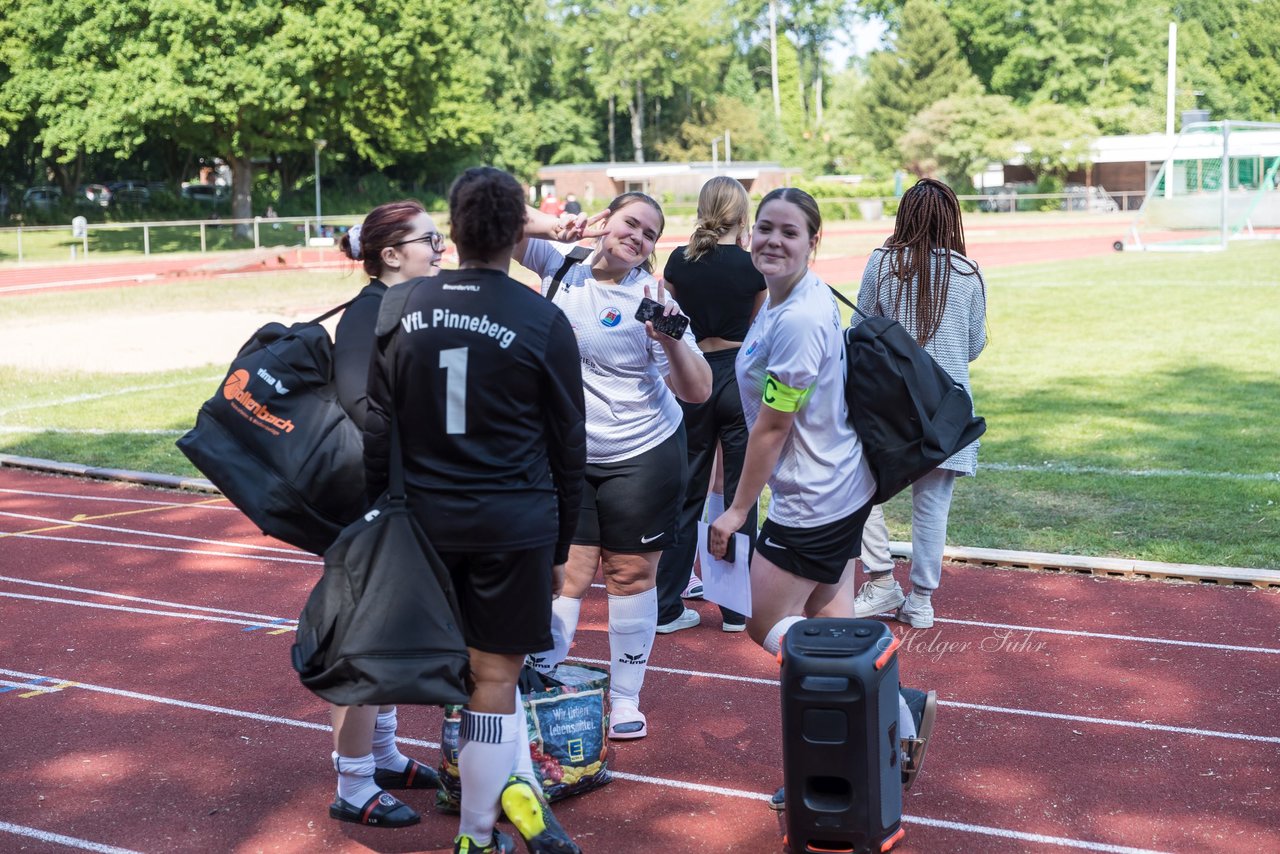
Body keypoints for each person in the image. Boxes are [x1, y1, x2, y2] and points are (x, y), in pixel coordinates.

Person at [363, 167, 587, 854]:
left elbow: (378, 429)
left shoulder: (398, 309)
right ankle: (475, 836)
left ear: (453, 231)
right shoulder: (542, 317)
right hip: (511, 524)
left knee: (442, 671)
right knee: (494, 681)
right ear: (521, 231)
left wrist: (379, 521)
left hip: (425, 524)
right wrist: (560, 548)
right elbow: (569, 448)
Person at [707, 188, 935, 807]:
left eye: (789, 232)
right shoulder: (780, 301)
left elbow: (774, 426)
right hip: (833, 486)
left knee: (761, 623)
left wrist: (733, 510)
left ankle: (859, 714)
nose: (772, 241)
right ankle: (898, 719)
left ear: (814, 242)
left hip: (815, 498)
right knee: (831, 622)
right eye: (765, 228)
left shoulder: (803, 318)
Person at [518, 191, 712, 741]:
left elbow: (697, 391)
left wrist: (669, 339)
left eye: (650, 233)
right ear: (607, 221)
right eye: (630, 223)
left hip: (642, 452)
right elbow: (491, 222)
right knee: (566, 575)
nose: (638, 237)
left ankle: (626, 701)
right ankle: (547, 677)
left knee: (629, 574)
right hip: (570, 453)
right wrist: (558, 226)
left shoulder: (652, 296)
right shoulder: (562, 266)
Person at [327, 199, 446, 830]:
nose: (441, 248)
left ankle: (382, 755)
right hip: (377, 502)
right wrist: (413, 458)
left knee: (394, 634)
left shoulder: (416, 306)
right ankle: (352, 783)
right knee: (368, 642)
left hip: (404, 494)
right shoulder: (367, 312)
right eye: (430, 239)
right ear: (391, 254)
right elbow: (360, 404)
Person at [851, 178, 987, 630]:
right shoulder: (968, 272)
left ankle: (881, 577)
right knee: (932, 509)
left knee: (859, 491)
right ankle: (921, 600)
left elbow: (860, 329)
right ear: (952, 219)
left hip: (889, 409)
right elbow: (974, 345)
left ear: (904, 215)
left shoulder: (882, 263)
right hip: (946, 412)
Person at [654, 176, 766, 634]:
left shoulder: (679, 262)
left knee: (687, 491)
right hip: (738, 376)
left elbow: (664, 319)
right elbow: (760, 328)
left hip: (693, 374)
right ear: (742, 213)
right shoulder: (754, 264)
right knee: (741, 494)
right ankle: (736, 609)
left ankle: (665, 606)